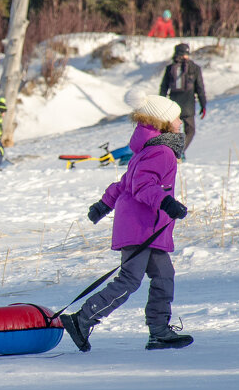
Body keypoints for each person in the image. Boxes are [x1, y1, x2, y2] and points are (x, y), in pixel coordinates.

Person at [60, 94, 193, 352]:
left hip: (144, 225)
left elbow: (124, 183)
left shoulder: (147, 149)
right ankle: (82, 319)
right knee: (130, 280)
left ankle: (159, 332)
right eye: (177, 117)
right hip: (142, 227)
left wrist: (103, 204)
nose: (180, 122)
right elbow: (142, 186)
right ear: (164, 121)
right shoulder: (161, 151)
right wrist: (166, 203)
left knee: (164, 276)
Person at [158, 42, 207, 156]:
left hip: (173, 105)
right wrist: (203, 105)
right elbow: (200, 88)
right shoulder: (195, 68)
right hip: (188, 105)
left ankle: (171, 152)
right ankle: (178, 153)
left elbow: (163, 87)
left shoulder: (170, 68)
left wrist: (161, 104)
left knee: (171, 131)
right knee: (190, 130)